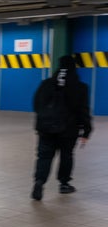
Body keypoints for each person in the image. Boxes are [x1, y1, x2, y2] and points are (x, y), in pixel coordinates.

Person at [31, 55, 92, 200]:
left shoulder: (46, 84)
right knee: (66, 156)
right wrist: (86, 131)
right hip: (68, 129)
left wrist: (44, 119)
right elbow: (83, 110)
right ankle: (64, 184)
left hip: (45, 128)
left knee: (44, 156)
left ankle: (39, 182)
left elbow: (36, 104)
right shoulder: (80, 87)